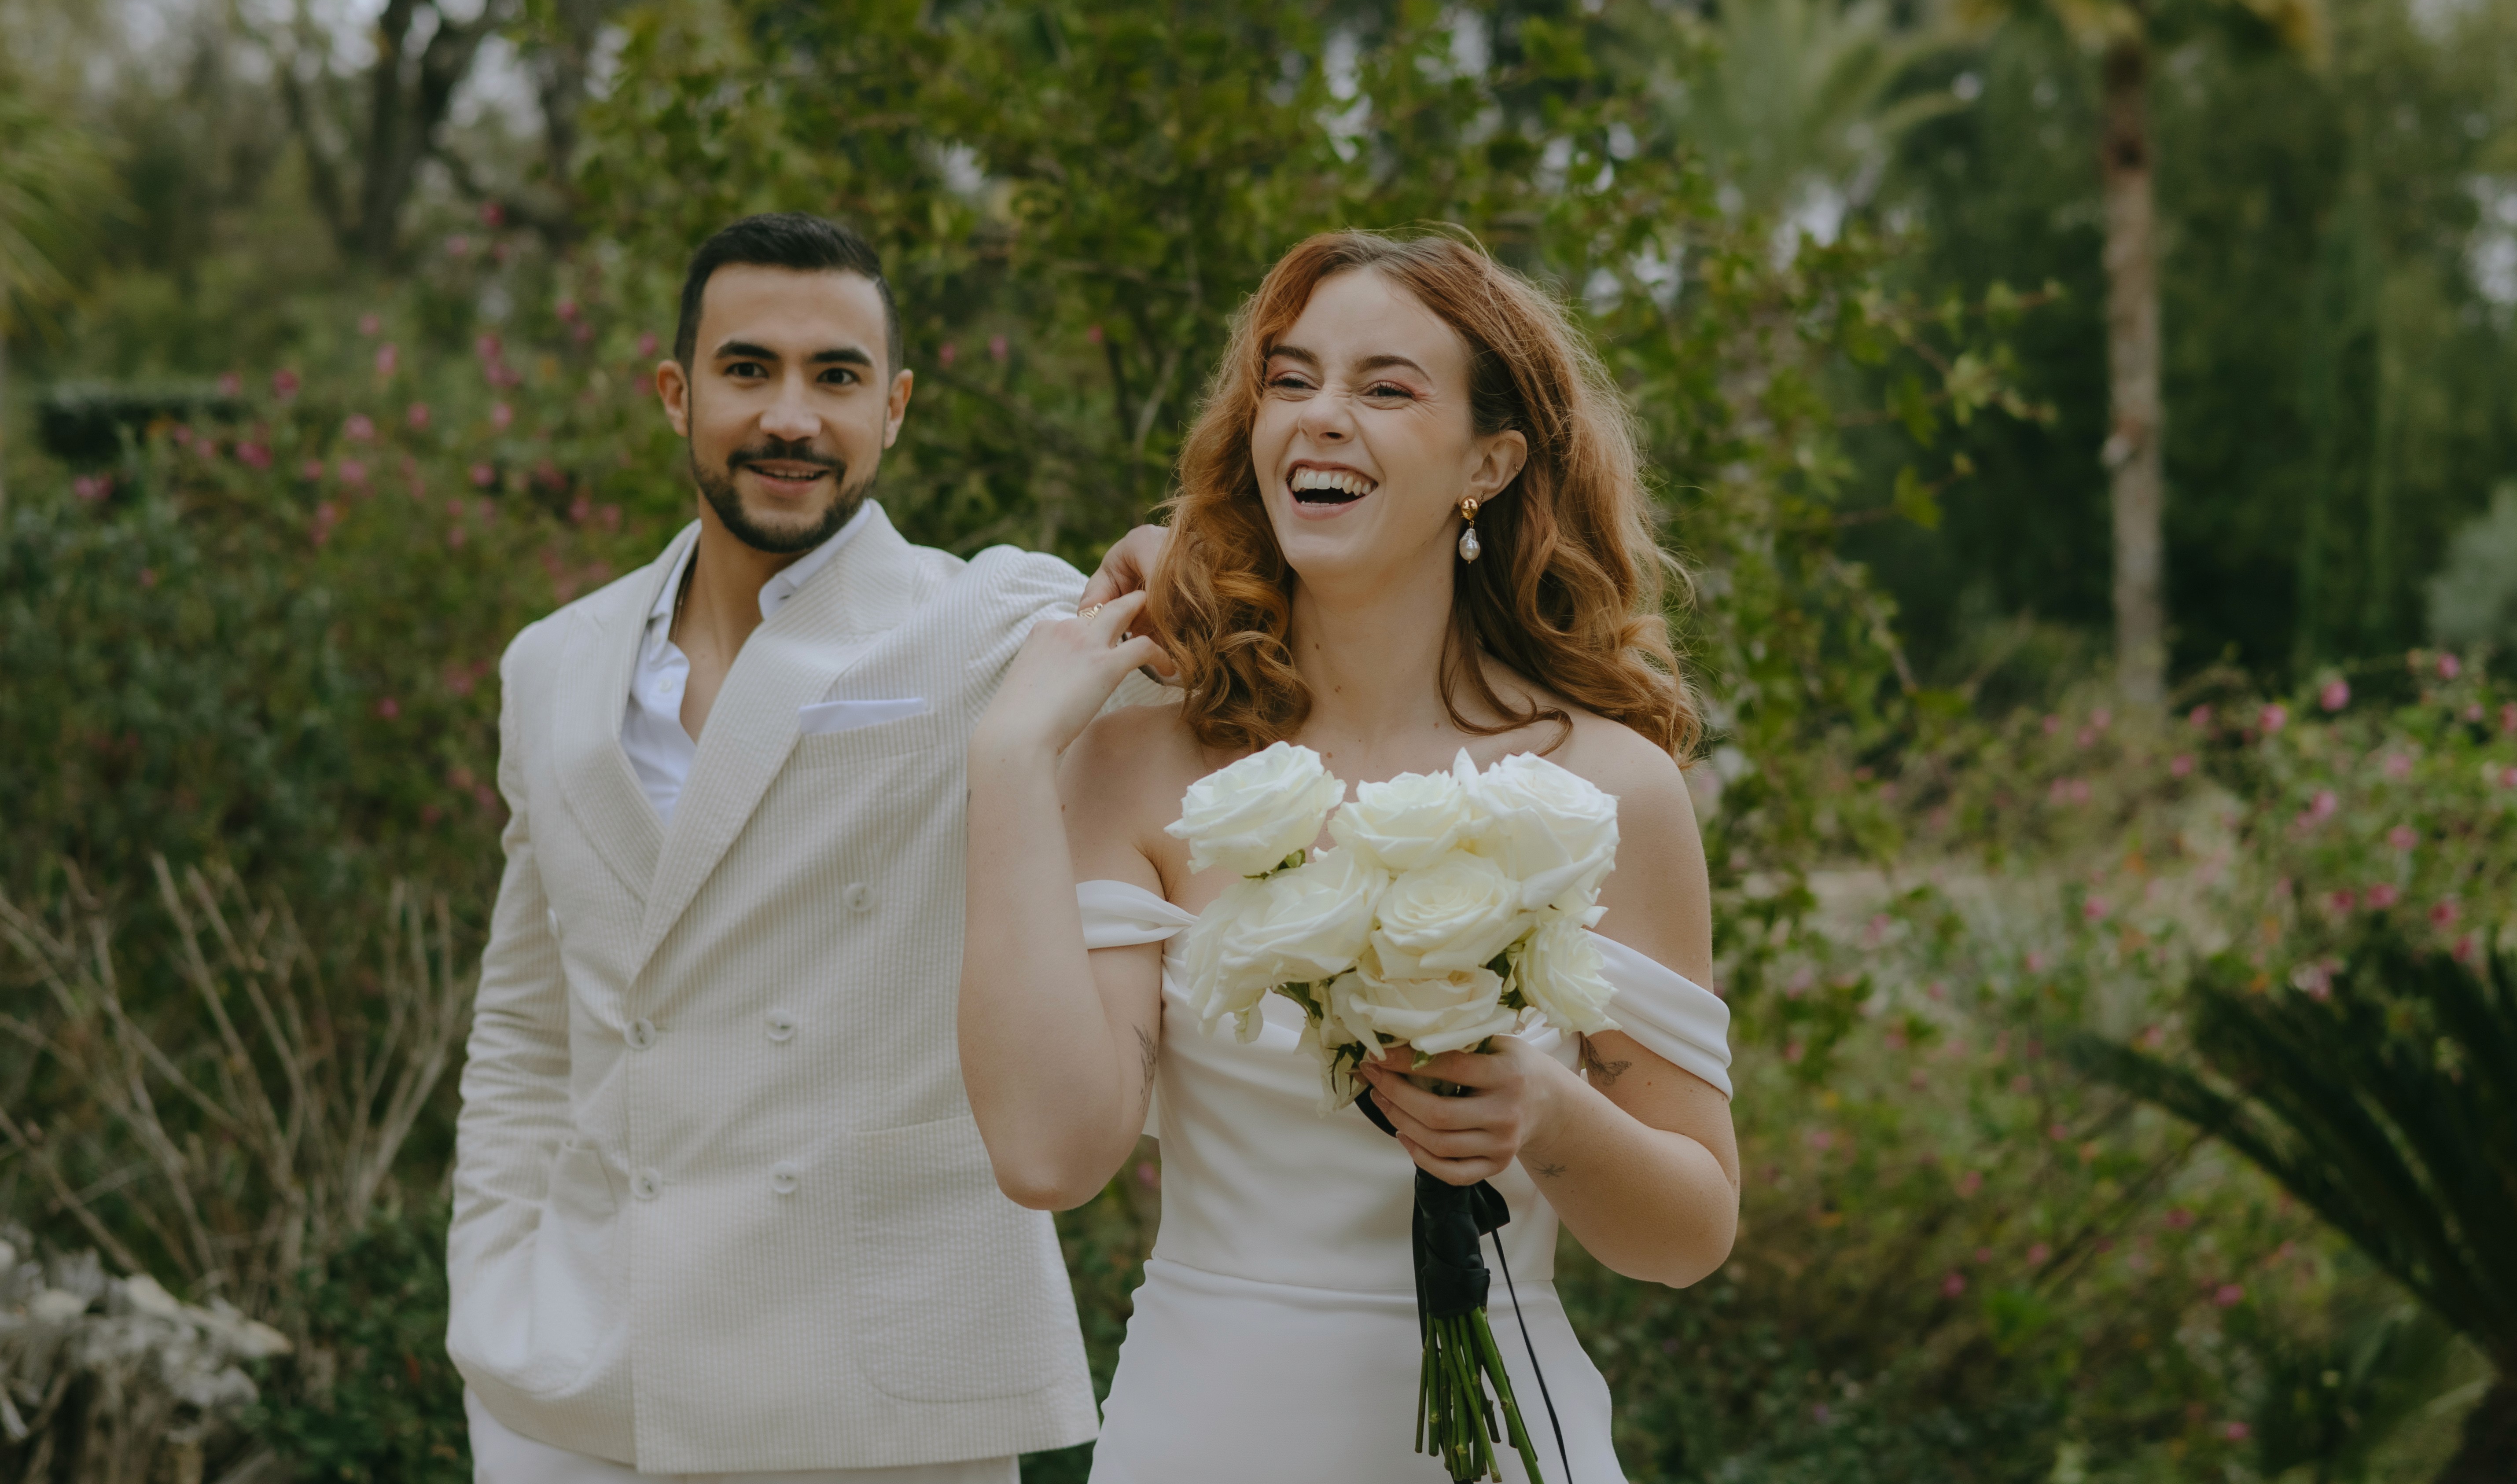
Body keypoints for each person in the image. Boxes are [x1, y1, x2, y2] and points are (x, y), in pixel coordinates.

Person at [959, 229, 1740, 1482]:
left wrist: (1545, 1113)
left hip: (1505, 1441)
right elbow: (1051, 1157)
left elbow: (1691, 1231)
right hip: (1205, 1431)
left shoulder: (1610, 787)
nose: (1321, 419)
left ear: (1489, 461)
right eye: (1291, 379)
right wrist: (1007, 760)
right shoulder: (1137, 767)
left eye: (1385, 387)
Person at [448, 212, 1163, 1484]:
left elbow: (1223, 663)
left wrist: (1181, 556)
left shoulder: (990, 617)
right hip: (581, 1383)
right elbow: (524, 1025)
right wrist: (493, 1293)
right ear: (676, 395)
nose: (792, 417)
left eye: (835, 377)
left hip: (880, 1400)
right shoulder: (552, 664)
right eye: (747, 370)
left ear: (892, 408)